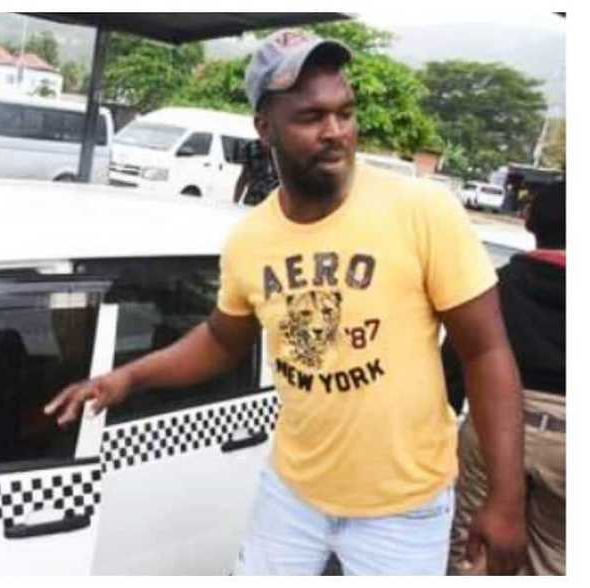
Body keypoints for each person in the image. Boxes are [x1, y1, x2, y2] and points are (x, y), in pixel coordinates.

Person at [44, 28, 527, 576]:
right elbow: (223, 340)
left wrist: (506, 499)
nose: (335, 132)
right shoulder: (252, 240)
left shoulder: (422, 211)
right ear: (264, 126)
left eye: (345, 113)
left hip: (404, 505)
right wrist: (128, 379)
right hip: (294, 492)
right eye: (311, 117)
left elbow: (486, 352)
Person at [444, 181, 565, 575]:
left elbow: (456, 362)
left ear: (530, 223)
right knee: (557, 561)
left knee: (476, 556)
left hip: (492, 430)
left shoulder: (497, 285)